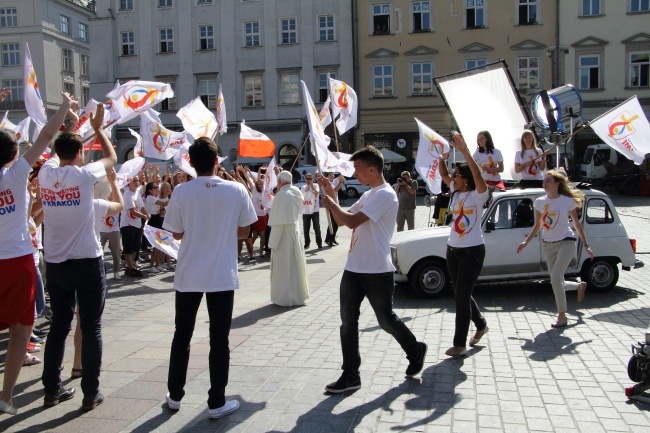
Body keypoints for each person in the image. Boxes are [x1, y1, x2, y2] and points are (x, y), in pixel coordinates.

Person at [318, 146, 427, 393]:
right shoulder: (369, 195)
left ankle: (415, 349)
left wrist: (332, 202)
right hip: (353, 268)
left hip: (377, 269)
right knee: (348, 323)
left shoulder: (385, 195)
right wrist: (330, 195)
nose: (355, 173)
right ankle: (351, 374)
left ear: (371, 169)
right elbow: (342, 221)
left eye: (357, 169)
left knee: (386, 320)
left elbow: (352, 220)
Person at [163, 137, 257, 419]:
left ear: (190, 162)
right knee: (220, 339)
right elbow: (245, 232)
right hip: (221, 274)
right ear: (217, 161)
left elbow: (176, 234)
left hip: (189, 273)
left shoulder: (181, 191)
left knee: (182, 335)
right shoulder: (237, 189)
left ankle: (175, 396)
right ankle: (216, 401)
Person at [39, 101, 117, 411]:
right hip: (86, 260)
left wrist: (71, 124)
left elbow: (59, 147)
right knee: (92, 327)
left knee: (59, 326)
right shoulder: (85, 175)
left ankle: (51, 388)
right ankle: (90, 392)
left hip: (56, 263)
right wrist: (97, 127)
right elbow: (111, 158)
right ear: (81, 154)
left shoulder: (45, 173)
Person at [0, 89, 71, 416]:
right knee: (20, 331)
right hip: (17, 259)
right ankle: (6, 396)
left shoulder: (13, 170)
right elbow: (46, 135)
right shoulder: (15, 174)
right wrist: (65, 108)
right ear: (15, 155)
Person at [517, 170, 593, 328]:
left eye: (548, 181)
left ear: (557, 184)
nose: (544, 183)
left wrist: (586, 245)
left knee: (556, 277)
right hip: (548, 244)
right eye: (544, 181)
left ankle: (562, 316)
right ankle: (579, 286)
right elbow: (538, 225)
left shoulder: (567, 201)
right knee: (556, 281)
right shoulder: (539, 202)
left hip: (566, 241)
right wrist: (526, 242)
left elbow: (577, 225)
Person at [439, 133, 490, 357]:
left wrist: (465, 150)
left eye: (456, 174)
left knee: (461, 295)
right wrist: (442, 158)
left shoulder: (479, 195)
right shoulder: (456, 193)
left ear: (466, 178)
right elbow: (442, 173)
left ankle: (459, 344)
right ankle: (480, 324)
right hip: (453, 250)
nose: (452, 177)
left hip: (473, 251)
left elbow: (477, 174)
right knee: (462, 292)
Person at [268, 171, 310, 306]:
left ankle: (284, 298)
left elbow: (277, 222)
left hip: (282, 236)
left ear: (280, 181)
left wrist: (272, 242)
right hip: (294, 232)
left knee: (283, 268)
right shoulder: (297, 191)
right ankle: (297, 295)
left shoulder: (280, 195)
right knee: (295, 266)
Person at [120, 177, 150, 277]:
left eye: (138, 181)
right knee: (128, 247)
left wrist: (147, 213)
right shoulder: (127, 195)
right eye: (134, 181)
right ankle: (131, 267)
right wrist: (144, 216)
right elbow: (132, 211)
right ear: (128, 183)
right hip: (128, 224)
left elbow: (142, 207)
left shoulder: (137, 193)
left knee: (136, 247)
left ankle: (131, 266)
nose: (137, 183)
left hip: (137, 224)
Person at [300, 174, 322, 249]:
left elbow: (316, 193)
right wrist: (308, 187)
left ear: (312, 179)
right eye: (307, 179)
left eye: (310, 179)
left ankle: (319, 243)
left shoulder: (316, 185)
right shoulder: (303, 187)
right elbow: (302, 195)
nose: (308, 180)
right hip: (306, 210)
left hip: (315, 210)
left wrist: (311, 186)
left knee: (316, 227)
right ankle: (307, 243)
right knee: (306, 228)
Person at [250, 177, 268, 257]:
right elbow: (248, 181)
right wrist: (244, 173)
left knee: (263, 235)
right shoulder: (254, 191)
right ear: (257, 185)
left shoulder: (265, 192)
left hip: (263, 216)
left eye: (262, 184)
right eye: (259, 184)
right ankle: (250, 252)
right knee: (255, 235)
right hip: (256, 216)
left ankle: (261, 252)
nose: (261, 185)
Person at [324, 172, 343, 246]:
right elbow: (335, 190)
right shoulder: (327, 183)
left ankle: (333, 238)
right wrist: (340, 183)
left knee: (337, 222)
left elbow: (341, 176)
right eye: (330, 174)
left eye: (333, 174)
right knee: (332, 222)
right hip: (331, 205)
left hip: (336, 204)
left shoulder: (334, 181)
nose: (332, 176)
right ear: (327, 176)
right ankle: (328, 238)